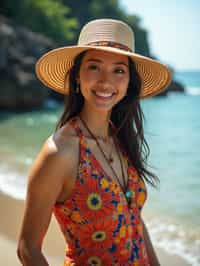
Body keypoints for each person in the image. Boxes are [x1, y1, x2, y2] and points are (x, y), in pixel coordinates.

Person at [17, 18, 171, 266]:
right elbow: (27, 249)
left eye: (119, 70)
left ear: (129, 81)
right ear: (77, 76)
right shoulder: (60, 152)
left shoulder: (120, 138)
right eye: (94, 67)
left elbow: (132, 217)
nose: (106, 81)